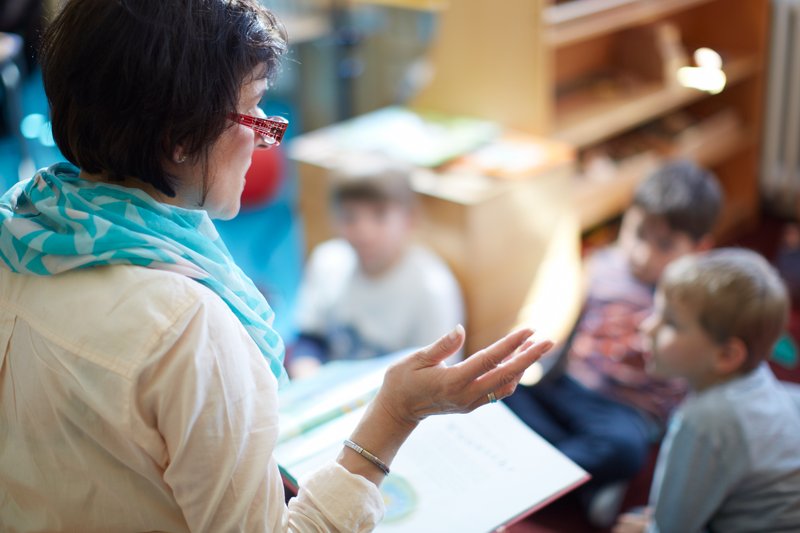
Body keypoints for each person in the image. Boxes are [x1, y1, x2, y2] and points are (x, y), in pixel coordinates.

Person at [0, 1, 553, 530]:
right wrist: (394, 416)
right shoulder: (188, 326)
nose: (267, 135)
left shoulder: (20, 228)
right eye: (255, 105)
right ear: (178, 139)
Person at [504, 160, 723, 523]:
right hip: (567, 386)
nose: (642, 255)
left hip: (625, 412)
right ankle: (577, 481)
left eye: (665, 245)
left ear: (700, 249)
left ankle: (540, 473)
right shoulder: (602, 265)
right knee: (499, 390)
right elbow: (567, 324)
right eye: (637, 234)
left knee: (623, 449)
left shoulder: (697, 300)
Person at [613, 248, 800, 533]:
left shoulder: (702, 422)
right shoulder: (759, 376)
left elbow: (670, 529)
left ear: (726, 355)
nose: (647, 326)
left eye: (671, 323)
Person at [289, 156, 464, 378]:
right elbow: (310, 337)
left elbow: (438, 378)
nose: (364, 232)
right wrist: (307, 375)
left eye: (379, 216)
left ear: (409, 218)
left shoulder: (432, 289)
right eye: (349, 217)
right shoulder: (327, 261)